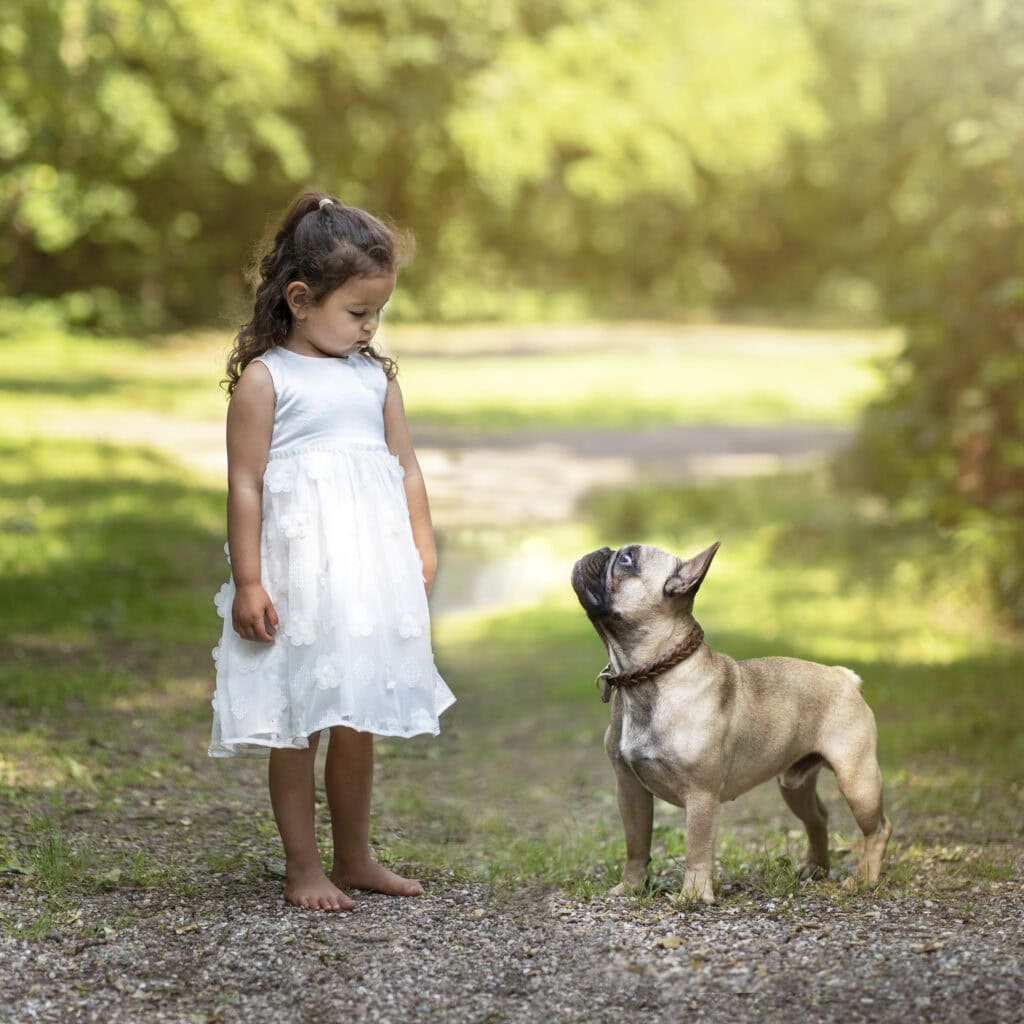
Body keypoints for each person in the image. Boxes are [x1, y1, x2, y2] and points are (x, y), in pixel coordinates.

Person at [208, 191, 455, 911]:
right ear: (299, 297)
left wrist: (422, 546)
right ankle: (303, 867)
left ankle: (355, 855)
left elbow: (404, 466)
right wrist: (251, 581)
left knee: (357, 717)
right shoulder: (267, 380)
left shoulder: (374, 379)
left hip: (367, 577)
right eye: (357, 312)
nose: (369, 326)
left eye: (377, 312)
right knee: (300, 721)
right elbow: (246, 485)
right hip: (299, 582)